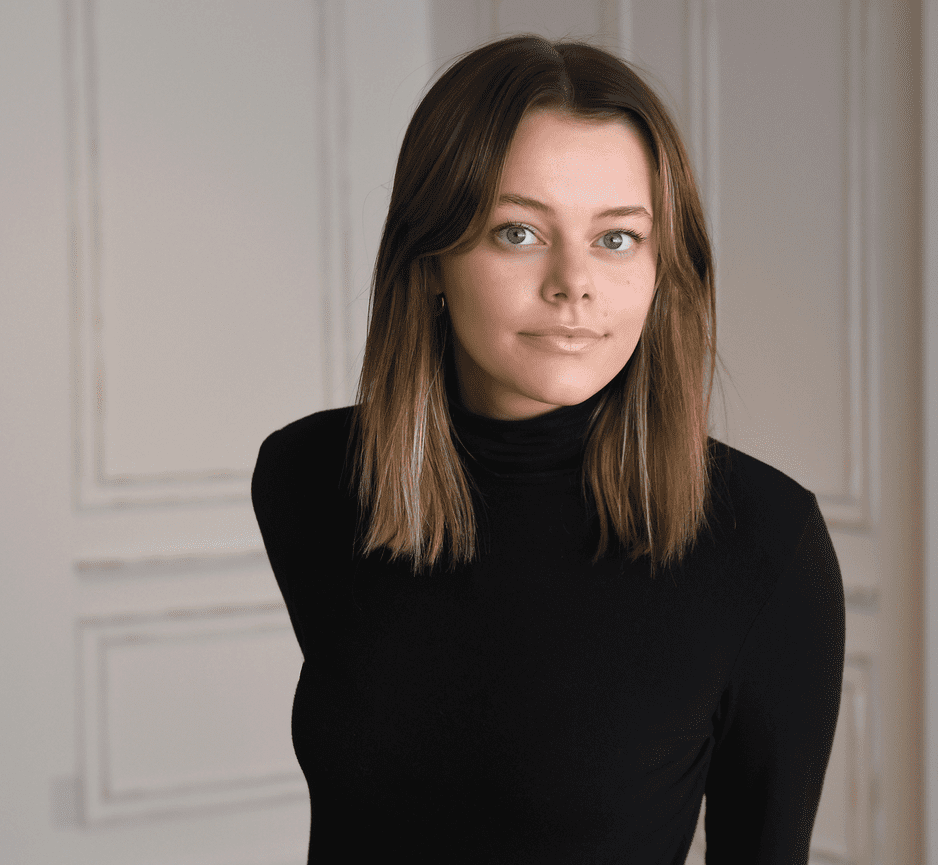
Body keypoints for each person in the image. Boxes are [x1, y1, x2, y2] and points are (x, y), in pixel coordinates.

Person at [251, 34, 844, 864]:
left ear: (662, 266)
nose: (575, 282)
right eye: (518, 232)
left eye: (616, 238)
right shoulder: (309, 479)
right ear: (429, 260)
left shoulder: (764, 540)